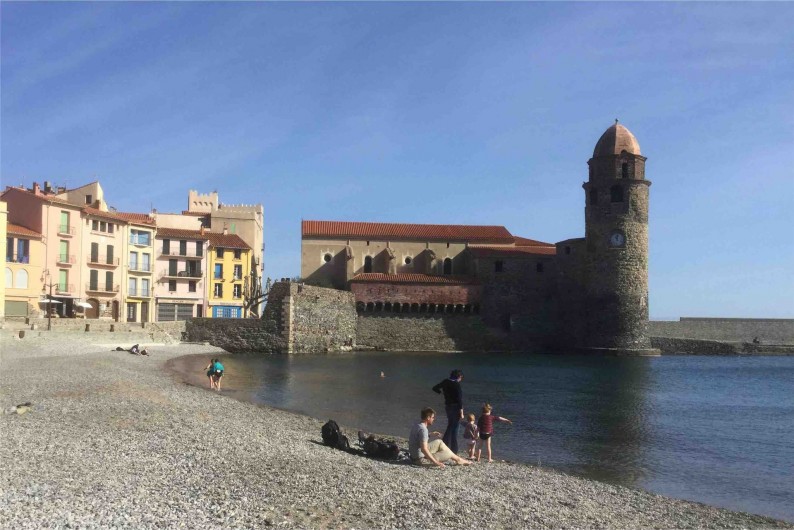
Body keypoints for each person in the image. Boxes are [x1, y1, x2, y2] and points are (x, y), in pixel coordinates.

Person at [432, 369, 464, 455]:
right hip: (456, 407)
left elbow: (435, 388)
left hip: (448, 406)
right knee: (454, 427)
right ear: (459, 376)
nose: (461, 379)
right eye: (461, 377)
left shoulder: (445, 381)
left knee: (451, 426)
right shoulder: (456, 384)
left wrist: (441, 393)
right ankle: (451, 449)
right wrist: (461, 411)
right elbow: (459, 399)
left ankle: (448, 447)